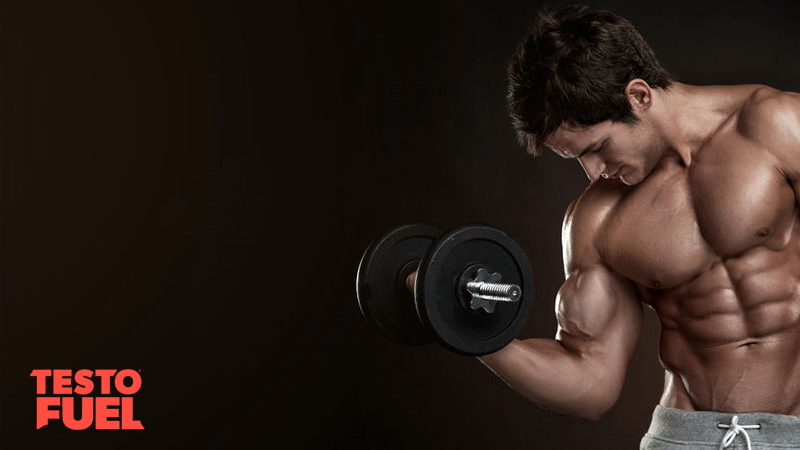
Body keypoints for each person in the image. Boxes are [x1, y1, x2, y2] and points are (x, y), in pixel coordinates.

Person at [479, 5, 800, 449]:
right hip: (684, 439)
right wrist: (472, 334)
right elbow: (590, 380)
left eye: (599, 148)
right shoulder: (597, 219)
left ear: (639, 95)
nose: (594, 173)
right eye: (577, 159)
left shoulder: (778, 127)